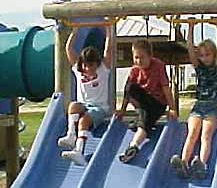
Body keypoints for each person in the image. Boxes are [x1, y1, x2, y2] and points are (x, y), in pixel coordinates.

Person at [171, 18, 217, 179]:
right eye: (201, 55)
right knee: (192, 133)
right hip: (198, 107)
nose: (204, 58)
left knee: (206, 135)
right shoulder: (199, 68)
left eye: (207, 55)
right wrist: (190, 28)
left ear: (214, 55)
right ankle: (184, 162)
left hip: (214, 107)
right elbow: (190, 49)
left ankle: (202, 164)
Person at [116, 39, 177, 163]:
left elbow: (166, 88)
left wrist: (172, 108)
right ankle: (136, 137)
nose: (139, 61)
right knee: (130, 87)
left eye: (142, 58)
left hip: (157, 103)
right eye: (136, 57)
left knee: (144, 123)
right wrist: (122, 110)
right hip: (144, 104)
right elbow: (127, 92)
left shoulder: (158, 66)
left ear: (150, 56)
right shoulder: (134, 70)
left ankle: (133, 146)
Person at [58, 26, 112, 166]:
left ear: (97, 63)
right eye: (86, 65)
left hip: (99, 108)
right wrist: (74, 33)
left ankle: (79, 152)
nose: (88, 69)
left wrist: (108, 31)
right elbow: (68, 50)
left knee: (84, 120)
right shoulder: (79, 70)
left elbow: (108, 50)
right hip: (84, 105)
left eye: (91, 65)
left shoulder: (103, 70)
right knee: (73, 105)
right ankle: (71, 135)